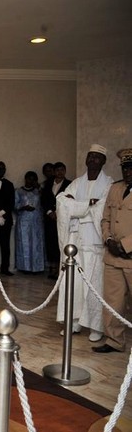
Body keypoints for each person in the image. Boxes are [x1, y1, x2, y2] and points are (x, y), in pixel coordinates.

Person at [56, 144, 113, 342]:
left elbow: (102, 208)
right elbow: (62, 201)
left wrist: (77, 208)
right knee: (74, 283)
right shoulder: (76, 183)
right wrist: (87, 205)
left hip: (94, 241)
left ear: (103, 161)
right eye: (90, 156)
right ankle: (74, 321)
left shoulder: (109, 184)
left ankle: (96, 326)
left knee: (94, 284)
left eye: (97, 157)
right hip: (75, 240)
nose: (92, 160)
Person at [93, 148, 132, 353]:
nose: (127, 172)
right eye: (125, 168)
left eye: (131, 168)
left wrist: (125, 245)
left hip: (130, 256)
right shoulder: (115, 188)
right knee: (113, 302)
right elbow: (105, 217)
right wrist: (108, 239)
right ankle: (114, 341)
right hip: (113, 256)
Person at [41, 162, 72, 278]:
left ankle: (61, 268)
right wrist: (49, 212)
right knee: (50, 242)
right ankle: (52, 268)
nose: (60, 172)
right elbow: (43, 199)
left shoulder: (70, 184)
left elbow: (70, 201)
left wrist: (59, 213)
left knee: (61, 241)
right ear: (54, 172)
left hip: (62, 219)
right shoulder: (48, 184)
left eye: (62, 170)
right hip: (49, 219)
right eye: (58, 170)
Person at [14, 171, 45, 273]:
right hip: (23, 221)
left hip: (37, 221)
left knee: (36, 243)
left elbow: (44, 203)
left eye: (33, 179)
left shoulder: (38, 191)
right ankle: (25, 267)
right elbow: (14, 205)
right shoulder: (18, 191)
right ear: (25, 179)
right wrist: (23, 207)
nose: (30, 181)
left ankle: (37, 267)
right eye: (29, 178)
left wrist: (39, 188)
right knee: (25, 243)